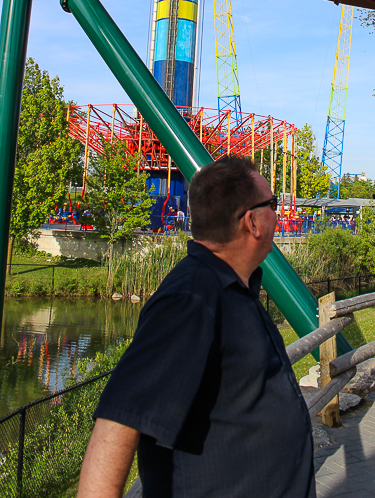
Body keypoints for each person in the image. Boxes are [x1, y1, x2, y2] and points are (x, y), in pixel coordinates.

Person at [77, 156, 315, 498]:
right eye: (273, 205)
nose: (277, 215)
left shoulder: (232, 288)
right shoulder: (190, 300)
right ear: (252, 222)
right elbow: (117, 422)